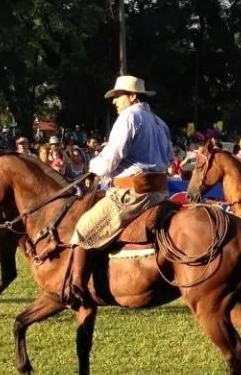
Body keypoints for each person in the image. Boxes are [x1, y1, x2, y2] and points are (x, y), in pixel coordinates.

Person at [65, 75, 172, 308]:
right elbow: (169, 157)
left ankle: (77, 289)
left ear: (132, 96)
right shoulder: (159, 122)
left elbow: (110, 161)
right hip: (160, 194)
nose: (114, 101)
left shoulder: (128, 118)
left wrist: (92, 166)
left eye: (118, 96)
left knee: (83, 229)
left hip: (132, 195)